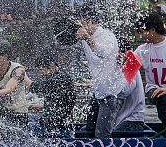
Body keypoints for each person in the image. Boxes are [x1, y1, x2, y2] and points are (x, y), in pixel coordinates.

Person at [74, 8, 128, 138]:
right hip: (98, 91)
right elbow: (64, 44)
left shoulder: (107, 36)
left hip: (112, 93)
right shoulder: (83, 38)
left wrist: (86, 37)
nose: (80, 29)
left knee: (101, 134)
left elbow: (103, 53)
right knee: (89, 129)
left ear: (91, 22)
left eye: (82, 25)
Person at [27, 53, 76, 132]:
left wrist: (22, 75)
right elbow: (58, 103)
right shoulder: (61, 76)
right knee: (26, 116)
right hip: (55, 120)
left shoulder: (58, 79)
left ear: (52, 66)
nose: (40, 73)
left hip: (52, 124)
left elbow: (34, 87)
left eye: (41, 70)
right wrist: (37, 106)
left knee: (24, 123)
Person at [134, 12, 166, 126]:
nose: (141, 36)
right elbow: (128, 66)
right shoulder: (142, 50)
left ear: (152, 30)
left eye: (143, 32)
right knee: (163, 98)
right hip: (154, 89)